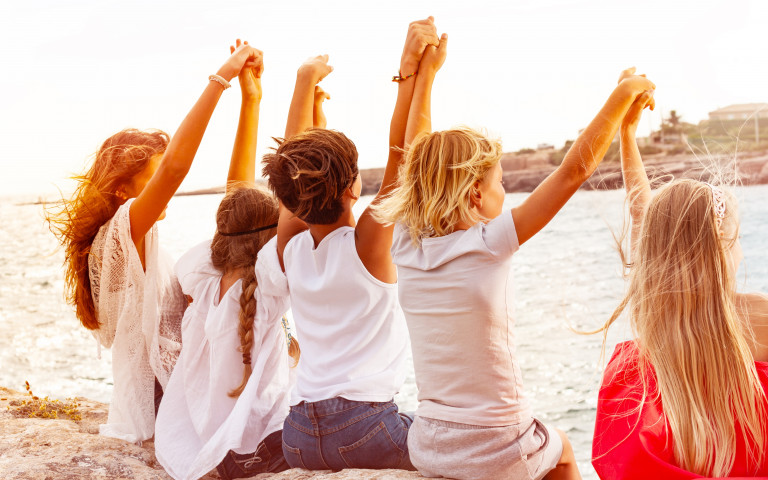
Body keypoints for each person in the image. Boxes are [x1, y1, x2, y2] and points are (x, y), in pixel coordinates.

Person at [373, 66, 657, 480]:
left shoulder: (404, 243)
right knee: (561, 446)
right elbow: (573, 172)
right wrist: (624, 93)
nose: (504, 193)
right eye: (500, 183)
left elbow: (418, 156)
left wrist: (425, 76)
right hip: (496, 446)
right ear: (475, 194)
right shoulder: (488, 242)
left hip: (429, 442)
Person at [46, 42, 262, 443]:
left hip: (172, 394)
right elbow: (177, 168)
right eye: (154, 177)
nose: (165, 188)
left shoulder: (137, 244)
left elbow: (239, 202)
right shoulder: (118, 235)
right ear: (123, 190)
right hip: (160, 401)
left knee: (242, 230)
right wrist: (221, 78)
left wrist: (251, 101)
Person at [260, 18, 442, 470]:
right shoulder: (368, 245)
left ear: (287, 201)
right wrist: (416, 75)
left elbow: (290, 161)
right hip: (364, 426)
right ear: (354, 189)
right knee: (469, 448)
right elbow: (407, 152)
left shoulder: (291, 247)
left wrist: (303, 82)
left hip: (298, 434)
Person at [591, 88, 768, 479]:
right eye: (737, 239)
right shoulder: (760, 317)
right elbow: (647, 217)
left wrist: (627, 136)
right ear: (722, 249)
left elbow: (646, 216)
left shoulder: (646, 350)